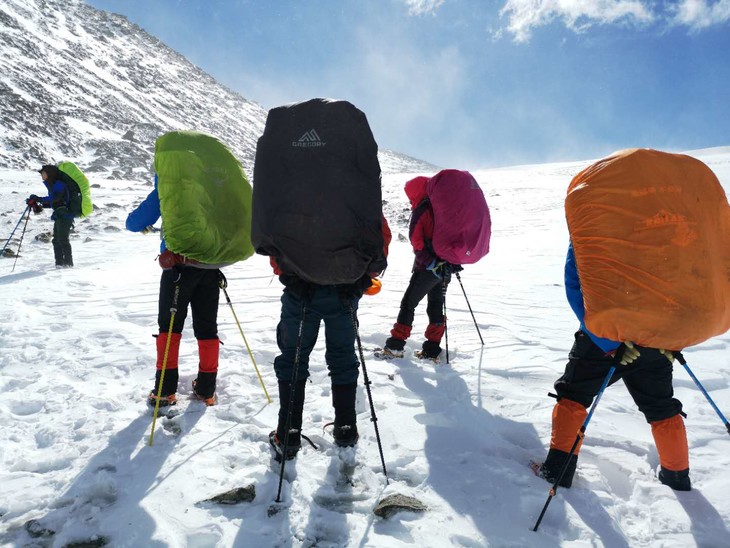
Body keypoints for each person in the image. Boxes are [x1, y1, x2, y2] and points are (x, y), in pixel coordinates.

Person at [537, 242, 690, 491]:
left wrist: (609, 342)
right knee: (660, 405)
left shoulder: (594, 222)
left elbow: (576, 283)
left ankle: (556, 472)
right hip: (658, 338)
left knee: (574, 395)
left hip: (605, 338)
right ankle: (677, 477)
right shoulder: (668, 224)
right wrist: (672, 338)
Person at [126, 175, 222, 407]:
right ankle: (206, 389)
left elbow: (134, 223)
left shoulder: (168, 185)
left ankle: (165, 390)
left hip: (178, 269)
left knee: (169, 328)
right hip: (209, 267)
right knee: (207, 328)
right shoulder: (211, 183)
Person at [380, 175, 461, 361]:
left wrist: (430, 262)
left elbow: (416, 241)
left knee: (408, 303)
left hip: (428, 268)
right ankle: (432, 349)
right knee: (436, 305)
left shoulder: (422, 210)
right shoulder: (443, 208)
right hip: (446, 267)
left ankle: (395, 345)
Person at [27, 164, 75, 268]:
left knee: (62, 240)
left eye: (43, 173)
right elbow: (54, 202)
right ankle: (59, 263)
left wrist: (39, 199)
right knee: (56, 240)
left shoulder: (59, 184)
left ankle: (68, 264)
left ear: (50, 173)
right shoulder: (53, 185)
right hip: (59, 214)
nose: (42, 176)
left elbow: (56, 198)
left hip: (65, 215)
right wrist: (37, 203)